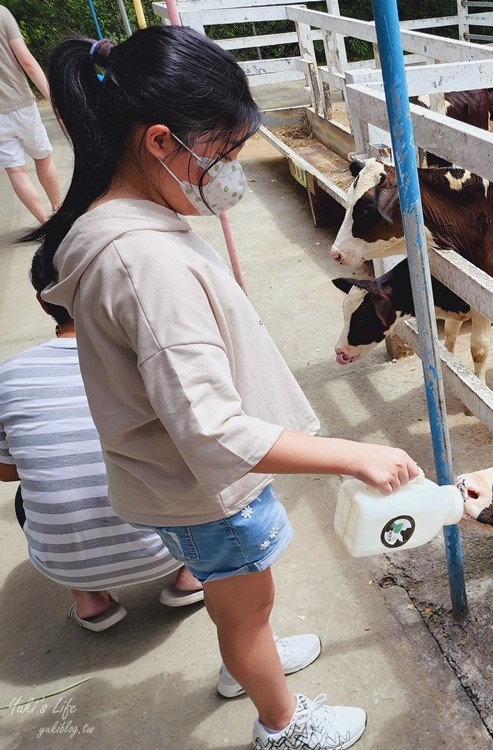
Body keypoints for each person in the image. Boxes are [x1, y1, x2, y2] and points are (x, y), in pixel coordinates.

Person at [29, 26, 420, 750]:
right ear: (159, 142)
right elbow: (209, 428)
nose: (232, 171)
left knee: (238, 604)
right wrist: (348, 453)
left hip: (173, 482)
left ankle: (252, 659)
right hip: (206, 488)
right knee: (246, 607)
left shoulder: (113, 225)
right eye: (226, 153)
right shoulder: (148, 264)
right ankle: (281, 722)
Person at [0, 255, 206, 631]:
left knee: (24, 495)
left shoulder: (8, 374)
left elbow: (5, 471)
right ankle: (190, 573)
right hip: (164, 547)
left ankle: (91, 600)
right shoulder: (148, 356)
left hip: (63, 563)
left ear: (42, 302)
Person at [0, 4, 60, 223]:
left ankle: (45, 223)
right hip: (21, 104)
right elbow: (27, 61)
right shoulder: (2, 14)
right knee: (42, 157)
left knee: (15, 171)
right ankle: (58, 209)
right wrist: (54, 100)